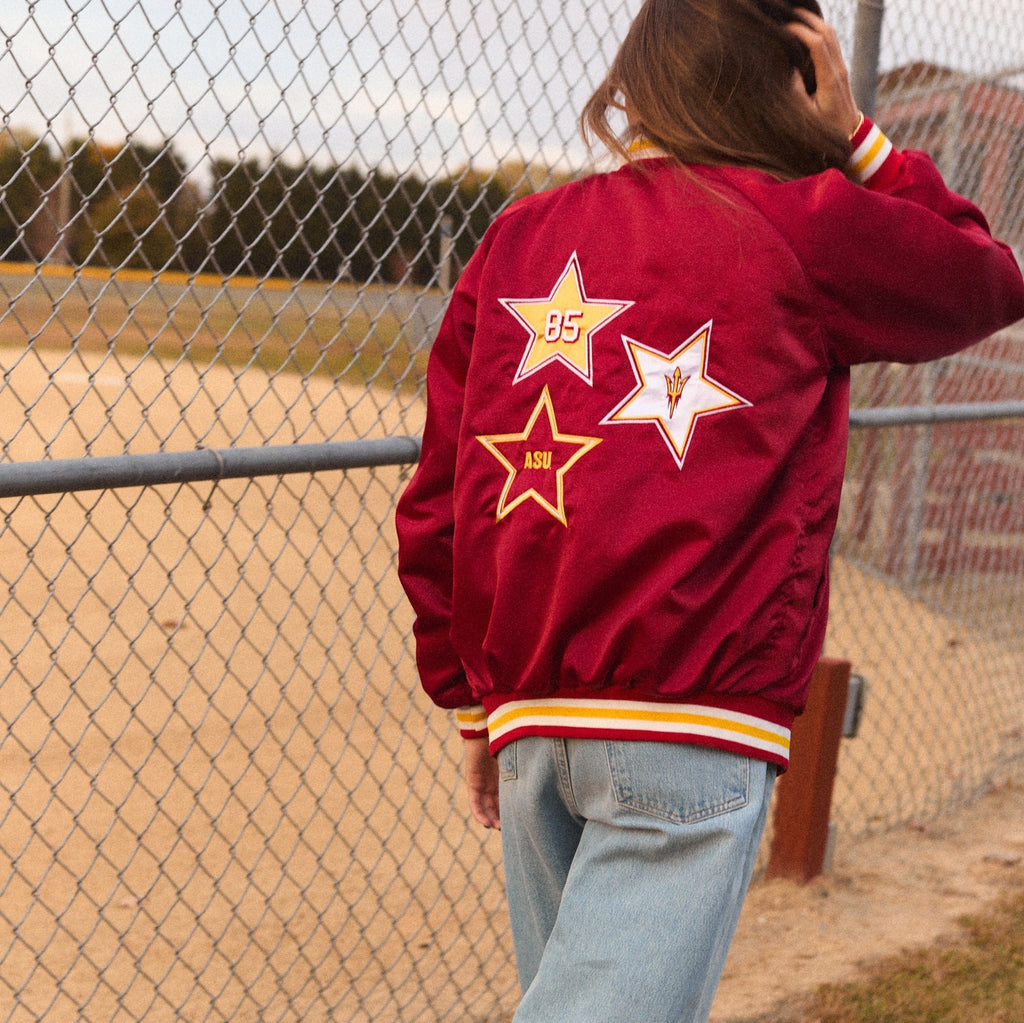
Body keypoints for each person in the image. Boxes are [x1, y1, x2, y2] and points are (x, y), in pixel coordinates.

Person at [395, 1, 1024, 1020]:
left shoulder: (518, 238)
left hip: (529, 717)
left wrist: (469, 694)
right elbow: (983, 279)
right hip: (691, 715)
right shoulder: (802, 223)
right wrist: (858, 139)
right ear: (789, 84)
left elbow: (440, 493)